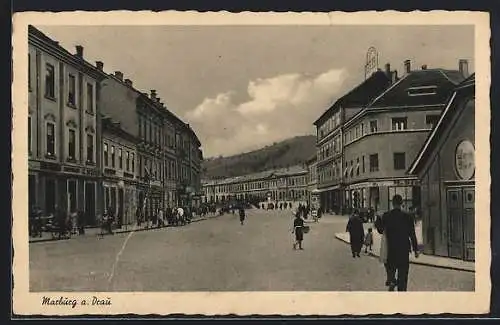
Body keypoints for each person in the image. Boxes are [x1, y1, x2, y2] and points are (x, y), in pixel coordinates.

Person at [379, 194, 419, 291]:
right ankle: (401, 292)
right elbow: (412, 235)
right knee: (403, 277)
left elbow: (380, 230)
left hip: (390, 250)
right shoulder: (408, 217)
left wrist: (378, 219)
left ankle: (392, 280)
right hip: (403, 251)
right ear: (401, 203)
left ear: (392, 203)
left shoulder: (386, 216)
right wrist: (416, 250)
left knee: (391, 270)